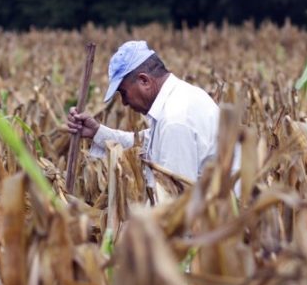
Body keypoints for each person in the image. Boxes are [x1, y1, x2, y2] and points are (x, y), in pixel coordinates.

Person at [66, 40, 232, 193]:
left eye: (123, 93)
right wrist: (96, 132)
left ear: (144, 81)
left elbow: (174, 203)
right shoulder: (181, 99)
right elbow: (142, 143)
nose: (124, 102)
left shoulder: (175, 120)